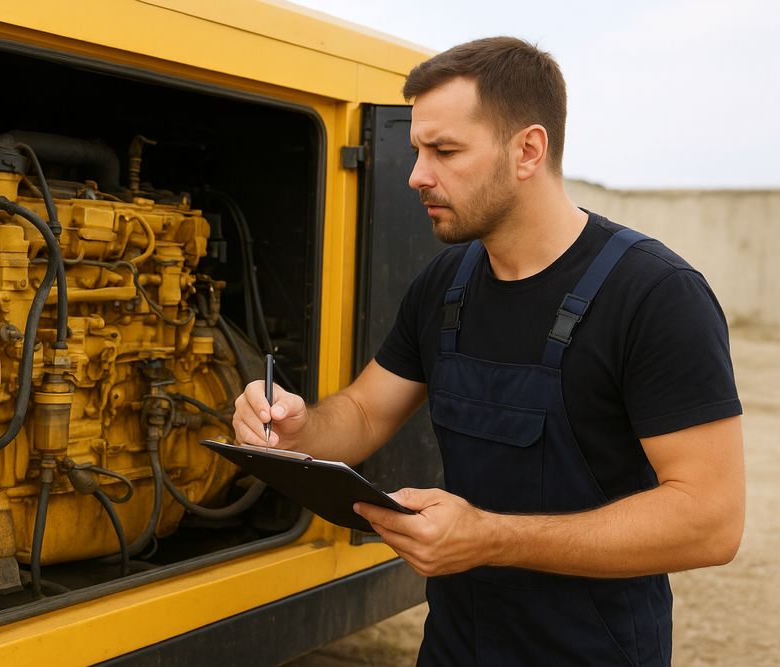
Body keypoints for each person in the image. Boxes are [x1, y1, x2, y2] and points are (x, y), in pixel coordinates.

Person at [232, 36, 745, 666]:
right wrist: (295, 426)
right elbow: (365, 414)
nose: (416, 174)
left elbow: (711, 520)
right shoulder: (444, 285)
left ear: (528, 149)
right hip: (457, 647)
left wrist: (489, 538)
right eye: (418, 148)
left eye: (445, 151)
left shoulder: (655, 296)